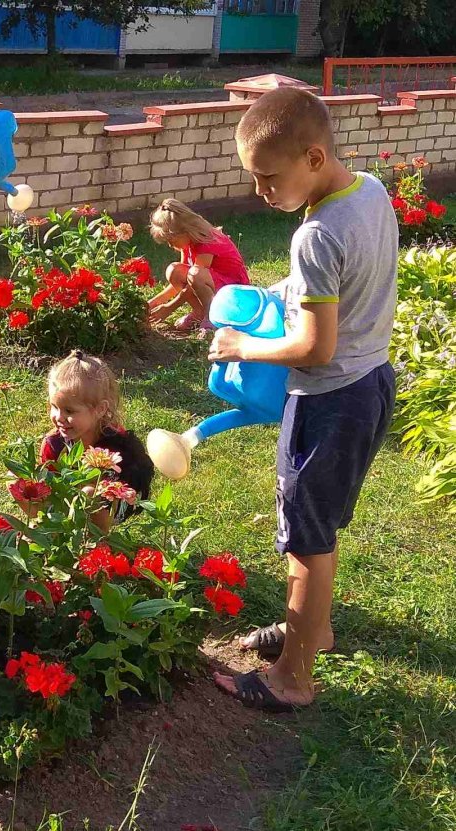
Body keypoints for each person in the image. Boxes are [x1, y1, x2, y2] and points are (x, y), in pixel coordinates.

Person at [208, 88, 398, 711]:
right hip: (371, 384)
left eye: (268, 178)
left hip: (326, 399)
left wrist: (241, 347)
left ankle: (293, 677)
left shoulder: (314, 234)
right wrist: (281, 291)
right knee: (323, 523)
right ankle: (313, 629)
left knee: (306, 539)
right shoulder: (369, 192)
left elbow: (315, 348)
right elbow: (345, 279)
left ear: (313, 157)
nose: (261, 193)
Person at [41, 350, 154, 533]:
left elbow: (130, 487)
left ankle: (98, 541)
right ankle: (45, 530)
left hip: (117, 503)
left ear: (100, 409)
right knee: (18, 481)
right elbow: (45, 480)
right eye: (54, 407)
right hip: (67, 500)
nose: (58, 417)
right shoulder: (54, 443)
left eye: (69, 411)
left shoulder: (119, 445)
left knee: (89, 494)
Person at [148, 198, 250, 332]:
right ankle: (199, 312)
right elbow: (179, 281)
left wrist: (170, 307)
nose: (170, 245)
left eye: (171, 240)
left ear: (185, 231)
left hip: (233, 290)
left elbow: (193, 282)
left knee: (195, 274)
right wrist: (153, 303)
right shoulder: (188, 242)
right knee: (174, 270)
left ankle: (212, 317)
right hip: (214, 284)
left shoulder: (206, 242)